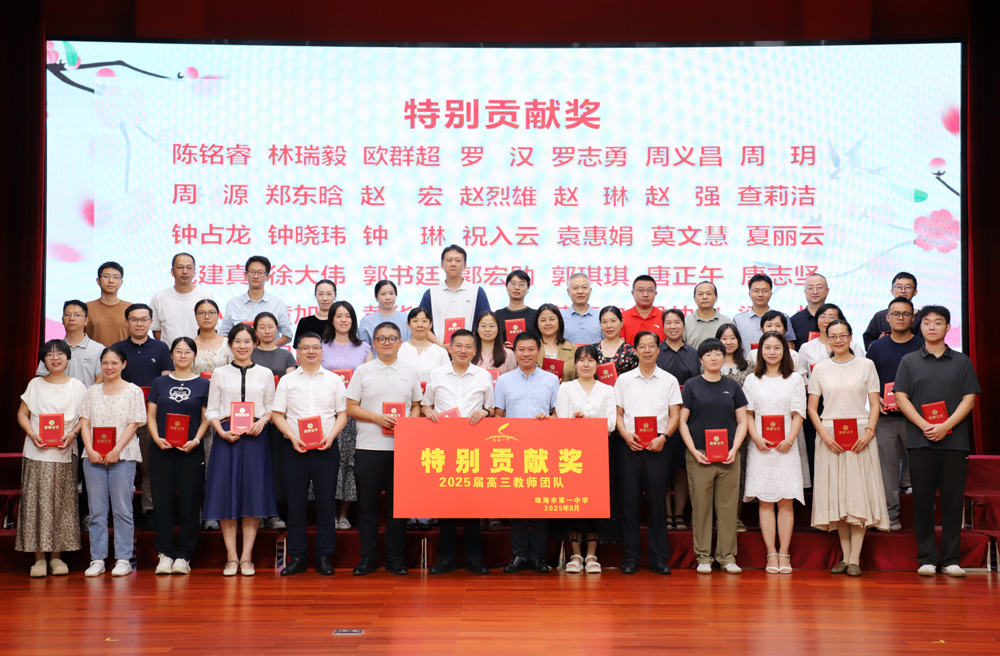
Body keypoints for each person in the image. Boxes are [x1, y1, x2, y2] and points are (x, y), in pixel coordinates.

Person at [894, 305, 980, 578]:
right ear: (919, 327)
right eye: (927, 322)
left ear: (948, 327)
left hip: (955, 442)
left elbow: (969, 399)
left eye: (938, 322)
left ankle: (952, 559)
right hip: (921, 442)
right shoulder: (909, 361)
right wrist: (924, 425)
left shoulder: (962, 361)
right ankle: (927, 558)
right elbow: (900, 397)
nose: (932, 327)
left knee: (953, 502)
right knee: (922, 501)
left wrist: (946, 426)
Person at [808, 319, 888, 577]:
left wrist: (869, 431)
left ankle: (855, 560)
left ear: (851, 337)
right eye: (833, 336)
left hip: (860, 435)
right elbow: (812, 408)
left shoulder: (866, 365)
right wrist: (823, 434)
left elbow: (874, 405)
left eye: (843, 335)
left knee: (857, 493)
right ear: (827, 339)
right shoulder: (820, 369)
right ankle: (844, 557)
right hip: (829, 436)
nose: (838, 340)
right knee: (838, 495)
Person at [347, 322, 422, 576]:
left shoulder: (411, 371)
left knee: (397, 507)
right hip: (368, 447)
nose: (387, 343)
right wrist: (376, 418)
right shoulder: (362, 371)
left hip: (401, 448)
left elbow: (416, 405)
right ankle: (368, 557)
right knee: (367, 507)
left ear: (400, 342)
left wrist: (409, 424)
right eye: (382, 338)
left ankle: (395, 558)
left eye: (392, 338)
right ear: (374, 343)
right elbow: (350, 407)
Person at [271, 332, 348, 576]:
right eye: (306, 347)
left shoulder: (334, 380)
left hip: (326, 448)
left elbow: (342, 414)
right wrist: (292, 437)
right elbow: (277, 415)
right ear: (298, 352)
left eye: (316, 347)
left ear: (322, 351)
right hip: (294, 449)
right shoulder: (287, 381)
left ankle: (324, 557)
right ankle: (298, 557)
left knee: (326, 504)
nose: (311, 351)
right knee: (295, 505)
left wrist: (331, 436)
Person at [204, 324, 277, 576]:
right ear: (230, 345)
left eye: (247, 341)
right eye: (237, 341)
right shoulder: (220, 373)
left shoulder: (265, 373)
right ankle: (231, 557)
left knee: (252, 495)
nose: (242, 346)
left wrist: (263, 421)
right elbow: (212, 410)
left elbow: (271, 407)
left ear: (255, 343)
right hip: (227, 437)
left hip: (256, 437)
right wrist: (221, 431)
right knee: (226, 495)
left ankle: (246, 557)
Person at [423, 329, 494, 575]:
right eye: (458, 346)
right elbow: (425, 405)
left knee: (473, 504)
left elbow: (492, 409)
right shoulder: (436, 374)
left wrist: (484, 412)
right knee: (446, 503)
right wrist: (428, 412)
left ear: (475, 351)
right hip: (444, 446)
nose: (463, 350)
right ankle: (446, 558)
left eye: (468, 346)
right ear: (450, 348)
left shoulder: (484, 376)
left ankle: (475, 558)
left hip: (474, 447)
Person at [15, 340, 86, 577]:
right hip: (36, 453)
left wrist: (72, 434)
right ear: (43, 360)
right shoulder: (35, 384)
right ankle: (38, 559)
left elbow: (84, 419)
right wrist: (32, 434)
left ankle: (56, 557)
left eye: (60, 354)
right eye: (50, 354)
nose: (55, 358)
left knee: (62, 504)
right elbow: (22, 414)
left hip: (64, 453)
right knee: (36, 504)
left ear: (68, 358)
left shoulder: (77, 386)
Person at [614, 330, 682, 575]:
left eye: (651, 345)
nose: (647, 350)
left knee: (657, 504)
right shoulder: (623, 380)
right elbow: (617, 414)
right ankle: (631, 556)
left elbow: (675, 415)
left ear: (658, 349)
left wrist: (664, 437)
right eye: (642, 346)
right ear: (635, 351)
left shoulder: (669, 380)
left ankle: (658, 557)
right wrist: (625, 435)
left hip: (658, 447)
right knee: (629, 503)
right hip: (629, 447)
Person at [679, 338, 749, 574]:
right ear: (701, 359)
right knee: (701, 508)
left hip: (728, 455)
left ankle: (727, 557)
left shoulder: (733, 386)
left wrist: (734, 449)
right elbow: (682, 422)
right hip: (700, 455)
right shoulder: (691, 385)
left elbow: (742, 421)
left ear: (724, 357)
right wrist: (693, 451)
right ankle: (703, 557)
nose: (713, 357)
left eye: (718, 353)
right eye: (708, 354)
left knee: (728, 509)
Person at [78, 346, 147, 577]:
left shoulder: (133, 391)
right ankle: (97, 559)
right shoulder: (92, 391)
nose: (109, 367)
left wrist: (117, 449)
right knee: (96, 511)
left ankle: (123, 559)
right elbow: (85, 422)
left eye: (114, 362)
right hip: (93, 457)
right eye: (105, 363)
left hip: (123, 456)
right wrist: (89, 449)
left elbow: (134, 423)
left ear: (124, 364)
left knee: (122, 509)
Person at [495, 332, 560, 573]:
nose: (526, 354)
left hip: (542, 449)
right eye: (521, 349)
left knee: (541, 504)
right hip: (513, 451)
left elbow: (557, 413)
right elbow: (499, 415)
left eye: (531, 349)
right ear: (514, 352)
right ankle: (519, 555)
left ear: (538, 351)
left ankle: (539, 557)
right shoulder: (504, 380)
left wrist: (549, 419)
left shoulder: (551, 380)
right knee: (517, 505)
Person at [743, 332, 806, 575]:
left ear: (785, 351)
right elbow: (748, 414)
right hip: (760, 446)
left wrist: (789, 440)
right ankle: (771, 552)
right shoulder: (752, 380)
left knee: (786, 500)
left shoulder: (794, 379)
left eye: (777, 348)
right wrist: (756, 438)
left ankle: (784, 553)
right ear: (760, 352)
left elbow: (798, 413)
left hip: (786, 445)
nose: (772, 352)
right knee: (765, 500)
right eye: (767, 348)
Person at [146, 337, 210, 575]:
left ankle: (184, 554)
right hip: (161, 449)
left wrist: (196, 440)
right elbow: (151, 415)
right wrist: (156, 438)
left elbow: (205, 418)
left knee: (189, 503)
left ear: (194, 355)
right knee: (162, 503)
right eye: (178, 351)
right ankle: (164, 554)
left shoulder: (204, 384)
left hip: (190, 451)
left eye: (188, 352)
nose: (183, 355)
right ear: (171, 355)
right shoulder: (159, 382)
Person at [555, 345, 617, 574]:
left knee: (595, 502)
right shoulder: (565, 388)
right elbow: (562, 420)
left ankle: (591, 555)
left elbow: (611, 423)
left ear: (597, 364)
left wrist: (588, 421)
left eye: (591, 360)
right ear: (575, 364)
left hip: (599, 452)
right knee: (574, 502)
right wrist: (575, 421)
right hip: (571, 453)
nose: (586, 364)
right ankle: (575, 554)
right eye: (581, 360)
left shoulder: (607, 389)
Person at [863, 297, 924, 531]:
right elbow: (868, 380)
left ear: (912, 318)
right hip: (884, 419)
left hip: (915, 419)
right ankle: (890, 516)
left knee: (920, 469)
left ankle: (923, 518)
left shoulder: (922, 345)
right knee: (886, 471)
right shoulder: (877, 347)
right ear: (887, 318)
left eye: (905, 314)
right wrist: (876, 398)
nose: (900, 318)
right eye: (895, 314)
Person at [113, 303, 173, 530]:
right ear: (127, 322)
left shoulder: (161, 348)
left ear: (150, 322)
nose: (139, 324)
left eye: (144, 319)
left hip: (151, 416)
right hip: (122, 417)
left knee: (150, 466)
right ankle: (122, 511)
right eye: (134, 319)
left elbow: (165, 383)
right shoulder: (117, 349)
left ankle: (149, 509)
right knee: (121, 464)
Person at [321, 300, 372, 530]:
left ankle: (343, 514)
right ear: (331, 319)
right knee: (328, 462)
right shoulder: (320, 346)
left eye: (348, 316)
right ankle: (328, 512)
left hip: (353, 413)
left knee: (348, 463)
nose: (344, 320)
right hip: (326, 413)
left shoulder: (364, 348)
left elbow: (370, 380)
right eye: (339, 316)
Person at [251, 312, 297, 531]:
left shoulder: (286, 355)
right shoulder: (249, 353)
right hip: (253, 419)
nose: (267, 331)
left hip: (279, 419)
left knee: (277, 467)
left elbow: (291, 387)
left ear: (277, 329)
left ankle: (274, 512)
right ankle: (256, 512)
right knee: (256, 467)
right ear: (256, 330)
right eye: (262, 327)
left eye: (271, 326)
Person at [656, 308, 698, 530]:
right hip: (661, 419)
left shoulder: (694, 353)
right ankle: (666, 513)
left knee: (682, 469)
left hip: (688, 419)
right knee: (662, 469)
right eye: (668, 323)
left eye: (677, 322)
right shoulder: (656, 352)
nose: (673, 326)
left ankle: (679, 514)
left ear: (684, 325)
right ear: (662, 327)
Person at [417, 244, 491, 343]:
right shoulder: (431, 293)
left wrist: (467, 345)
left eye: (458, 260)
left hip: (469, 349)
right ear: (442, 265)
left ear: (465, 265)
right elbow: (422, 325)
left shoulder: (477, 291)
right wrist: (440, 347)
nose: (453, 264)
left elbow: (485, 323)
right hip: (437, 349)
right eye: (449, 260)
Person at [219, 255, 293, 347]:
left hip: (268, 355)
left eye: (260, 272)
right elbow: (223, 334)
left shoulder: (278, 303)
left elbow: (287, 336)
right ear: (245, 275)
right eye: (252, 272)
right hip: (240, 353)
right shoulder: (233, 303)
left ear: (267, 277)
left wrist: (266, 347)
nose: (256, 276)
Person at [36, 300, 104, 386]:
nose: (71, 318)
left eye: (77, 315)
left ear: (86, 321)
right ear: (62, 319)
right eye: (67, 315)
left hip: (87, 394)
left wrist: (85, 393)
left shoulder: (98, 349)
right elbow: (42, 378)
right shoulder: (51, 349)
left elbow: (101, 379)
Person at [151, 253, 211, 347]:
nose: (185, 272)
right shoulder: (159, 298)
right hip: (169, 353)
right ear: (172, 271)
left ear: (194, 271)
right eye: (180, 267)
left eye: (189, 268)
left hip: (199, 352)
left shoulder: (205, 297)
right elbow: (156, 330)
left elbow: (212, 329)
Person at [733, 274, 796, 358]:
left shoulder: (782, 317)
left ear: (771, 294)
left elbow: (789, 346)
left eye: (765, 291)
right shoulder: (738, 320)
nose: (760, 294)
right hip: (747, 364)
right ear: (749, 294)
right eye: (756, 291)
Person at [799, 304, 866, 377]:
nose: (826, 321)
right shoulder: (806, 347)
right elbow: (801, 376)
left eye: (832, 317)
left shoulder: (852, 346)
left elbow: (863, 371)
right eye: (823, 316)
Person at [864, 272, 918, 350]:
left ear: (915, 292)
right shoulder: (879, 316)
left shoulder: (923, 317)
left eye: (908, 287)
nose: (903, 290)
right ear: (892, 291)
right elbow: (868, 343)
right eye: (899, 287)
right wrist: (879, 342)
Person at [398, 307, 451, 385]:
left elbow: (447, 380)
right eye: (415, 321)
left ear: (430, 325)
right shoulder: (399, 350)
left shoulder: (441, 352)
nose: (420, 325)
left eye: (424, 321)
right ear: (408, 324)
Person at [748, 311, 809, 379]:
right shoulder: (753, 354)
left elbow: (801, 381)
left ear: (785, 330)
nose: (773, 329)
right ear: (762, 329)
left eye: (778, 325)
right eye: (769, 325)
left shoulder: (793, 355)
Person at [85, 261, 131, 347]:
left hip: (124, 355)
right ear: (98, 281)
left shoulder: (130, 308)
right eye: (106, 276)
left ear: (121, 282)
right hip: (94, 355)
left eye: (116, 277)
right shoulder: (86, 308)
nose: (111, 281)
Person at [358, 280, 412, 346]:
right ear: (376, 297)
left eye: (391, 293)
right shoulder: (366, 321)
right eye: (383, 294)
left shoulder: (406, 318)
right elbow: (363, 349)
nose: (388, 297)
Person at [535, 303, 578, 383]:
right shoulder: (531, 349)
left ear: (559, 321)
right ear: (537, 324)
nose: (548, 323)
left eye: (552, 319)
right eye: (543, 320)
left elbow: (581, 378)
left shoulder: (573, 349)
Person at [683, 281, 732, 349]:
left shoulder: (727, 322)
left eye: (709, 294)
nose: (705, 297)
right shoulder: (685, 322)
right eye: (700, 294)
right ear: (694, 298)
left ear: (716, 297)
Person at [191, 299, 233, 376]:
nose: (207, 317)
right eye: (201, 313)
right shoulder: (189, 345)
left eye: (211, 313)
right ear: (196, 316)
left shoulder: (228, 344)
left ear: (218, 316)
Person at [594, 306, 638, 376]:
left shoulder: (632, 352)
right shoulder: (592, 350)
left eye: (613, 321)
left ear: (621, 323)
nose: (609, 326)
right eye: (604, 322)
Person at [494, 269, 536, 343]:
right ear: (506, 287)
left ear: (528, 288)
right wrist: (501, 347)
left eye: (521, 284)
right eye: (513, 283)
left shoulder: (535, 315)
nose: (516, 287)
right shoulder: (498, 315)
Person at [293, 279, 337, 347]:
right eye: (321, 294)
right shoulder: (305, 323)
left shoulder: (341, 322)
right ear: (315, 295)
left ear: (335, 296)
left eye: (329, 294)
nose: (325, 298)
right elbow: (298, 349)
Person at [790, 273, 829, 351]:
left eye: (819, 287)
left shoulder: (836, 317)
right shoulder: (794, 320)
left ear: (827, 291)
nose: (815, 292)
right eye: (810, 288)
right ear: (805, 292)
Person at [621, 275, 664, 344]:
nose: (645, 294)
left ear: (655, 293)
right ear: (633, 293)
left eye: (649, 290)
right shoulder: (622, 318)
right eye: (640, 290)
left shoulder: (664, 317)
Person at [561, 273, 602, 344]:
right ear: (568, 292)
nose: (580, 292)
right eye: (575, 288)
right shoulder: (560, 317)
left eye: (584, 287)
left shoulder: (601, 316)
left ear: (590, 291)